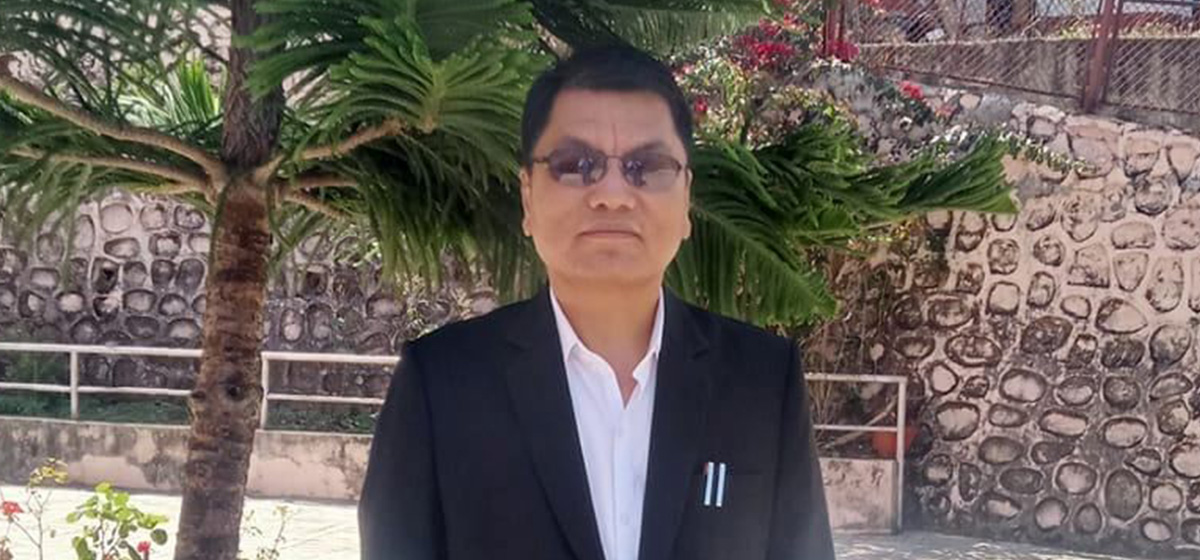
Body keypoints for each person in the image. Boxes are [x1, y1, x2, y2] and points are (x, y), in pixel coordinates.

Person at [359, 45, 835, 560]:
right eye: (575, 165)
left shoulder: (761, 381)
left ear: (686, 201)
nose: (612, 194)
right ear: (528, 198)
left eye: (646, 166)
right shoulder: (441, 383)